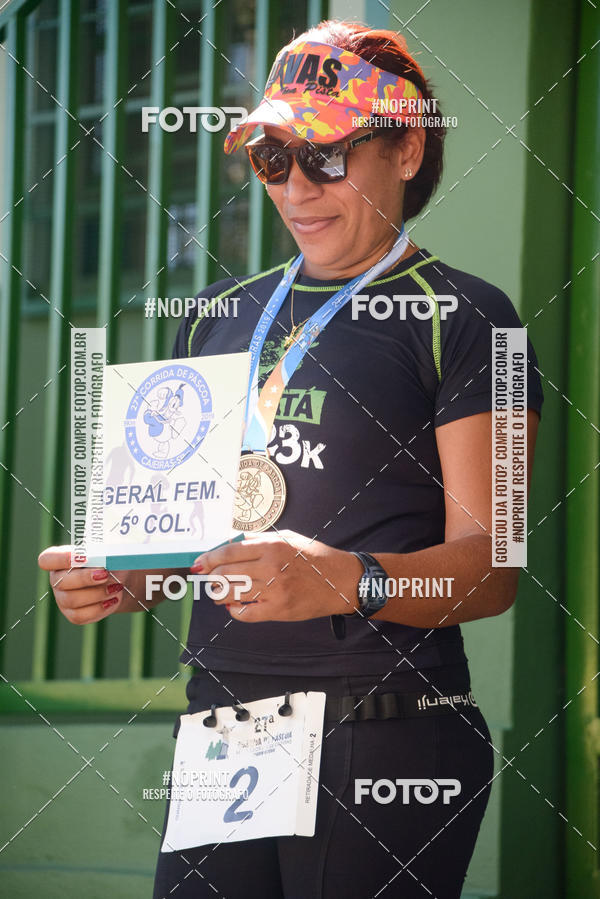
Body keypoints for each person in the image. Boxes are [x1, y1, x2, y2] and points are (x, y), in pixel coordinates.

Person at [39, 20, 543, 899]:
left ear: (408, 148)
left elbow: (493, 571)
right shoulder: (213, 312)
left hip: (388, 734)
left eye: (327, 157)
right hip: (226, 728)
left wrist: (351, 578)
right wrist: (129, 576)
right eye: (274, 159)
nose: (297, 188)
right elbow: (184, 535)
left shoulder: (476, 319)